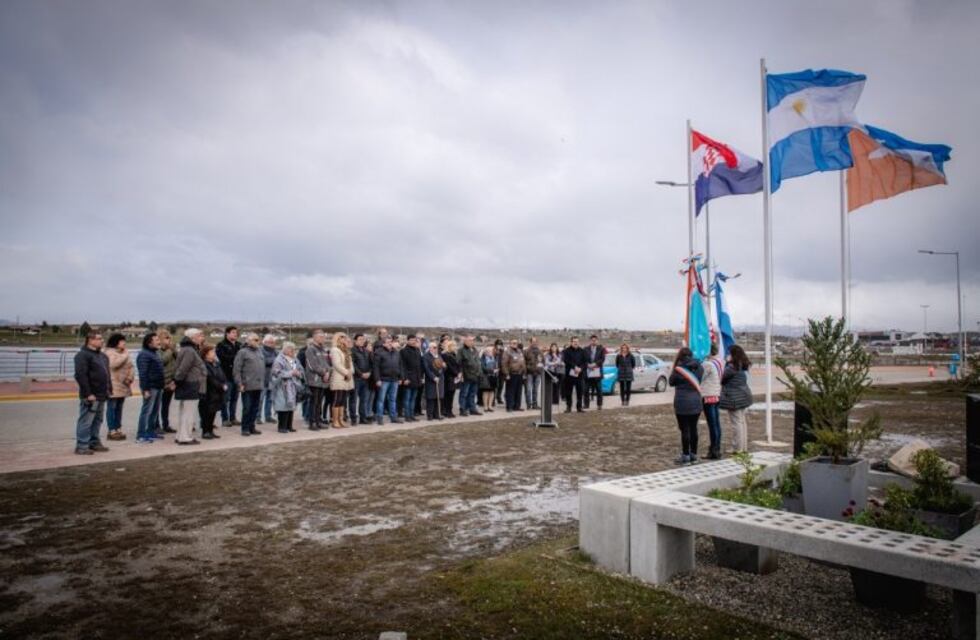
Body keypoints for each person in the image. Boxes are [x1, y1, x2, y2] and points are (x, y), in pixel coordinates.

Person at [73, 331, 111, 455]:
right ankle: (82, 445)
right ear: (90, 340)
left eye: (102, 338)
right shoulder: (82, 355)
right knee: (86, 421)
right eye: (99, 338)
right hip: (91, 395)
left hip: (102, 394)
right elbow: (80, 376)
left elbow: (107, 374)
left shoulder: (102, 356)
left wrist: (109, 389)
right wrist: (88, 393)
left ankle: (94, 442)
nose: (102, 341)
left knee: (97, 420)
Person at [669, 347, 704, 465]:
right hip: (696, 401)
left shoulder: (679, 369)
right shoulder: (699, 367)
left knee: (685, 429)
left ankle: (686, 456)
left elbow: (671, 382)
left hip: (682, 402)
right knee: (694, 428)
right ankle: (694, 455)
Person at [173, 328, 206, 446]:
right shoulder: (190, 351)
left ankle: (180, 435)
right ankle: (185, 437)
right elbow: (183, 368)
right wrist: (177, 380)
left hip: (186, 384)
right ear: (192, 338)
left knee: (184, 411)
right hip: (190, 384)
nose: (201, 338)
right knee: (188, 412)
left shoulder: (186, 349)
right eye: (199, 336)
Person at [719, 345, 753, 454]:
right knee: (742, 422)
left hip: (734, 398)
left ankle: (737, 448)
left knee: (736, 424)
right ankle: (743, 447)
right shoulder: (742, 365)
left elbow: (722, 379)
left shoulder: (732, 367)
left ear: (733, 354)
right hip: (743, 396)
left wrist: (727, 363)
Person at [233, 332, 266, 436]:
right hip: (247, 385)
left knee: (255, 408)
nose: (258, 342)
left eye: (258, 340)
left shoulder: (259, 351)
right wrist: (239, 383)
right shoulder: (242, 352)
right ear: (248, 341)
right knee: (247, 407)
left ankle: (252, 427)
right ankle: (245, 428)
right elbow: (237, 369)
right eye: (255, 340)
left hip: (258, 385)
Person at [135, 332, 165, 444]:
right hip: (150, 387)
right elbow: (143, 373)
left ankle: (150, 431)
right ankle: (141, 435)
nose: (159, 342)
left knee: (154, 411)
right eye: (156, 340)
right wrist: (145, 389)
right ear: (149, 343)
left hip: (158, 386)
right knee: (146, 411)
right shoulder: (144, 355)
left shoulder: (155, 353)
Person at [104, 333, 134, 441]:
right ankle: (112, 430)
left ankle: (118, 428)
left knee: (119, 408)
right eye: (122, 341)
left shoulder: (124, 352)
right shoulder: (109, 353)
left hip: (124, 384)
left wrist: (130, 377)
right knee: (112, 407)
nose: (124, 343)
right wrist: (125, 355)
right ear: (116, 342)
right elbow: (113, 364)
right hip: (113, 384)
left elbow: (131, 366)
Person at [271, 341, 305, 433]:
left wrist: (299, 373)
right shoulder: (279, 360)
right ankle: (282, 427)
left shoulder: (295, 360)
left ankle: (289, 426)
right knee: (283, 406)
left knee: (291, 406)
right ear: (285, 350)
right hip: (282, 387)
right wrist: (291, 373)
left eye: (293, 349)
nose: (293, 351)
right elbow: (276, 373)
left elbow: (301, 370)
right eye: (291, 349)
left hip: (293, 386)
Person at [373, 335, 404, 425]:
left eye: (391, 342)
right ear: (383, 344)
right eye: (388, 342)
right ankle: (379, 418)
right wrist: (377, 379)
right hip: (383, 380)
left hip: (395, 379)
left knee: (393, 399)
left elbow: (400, 366)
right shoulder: (378, 352)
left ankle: (393, 417)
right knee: (381, 400)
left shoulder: (396, 352)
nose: (390, 344)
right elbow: (376, 367)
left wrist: (401, 377)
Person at [701, 343, 724, 459]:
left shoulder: (708, 364)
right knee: (717, 424)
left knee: (712, 424)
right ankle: (717, 448)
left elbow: (700, 377)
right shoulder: (720, 361)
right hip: (717, 394)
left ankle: (713, 450)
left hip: (708, 395)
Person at [305, 330, 331, 431]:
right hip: (314, 380)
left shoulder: (323, 350)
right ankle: (312, 422)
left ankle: (318, 420)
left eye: (323, 337)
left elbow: (327, 363)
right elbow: (312, 365)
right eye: (320, 337)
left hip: (323, 381)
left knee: (319, 402)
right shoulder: (310, 350)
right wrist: (323, 373)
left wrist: (328, 372)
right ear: (314, 337)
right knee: (314, 402)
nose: (323, 339)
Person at [199, 344, 226, 440]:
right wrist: (220, 386)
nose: (214, 354)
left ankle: (210, 430)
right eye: (212, 352)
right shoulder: (204, 364)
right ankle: (205, 431)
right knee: (206, 412)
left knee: (213, 412)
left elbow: (222, 375)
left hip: (217, 392)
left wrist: (223, 383)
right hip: (208, 391)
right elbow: (210, 378)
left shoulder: (216, 364)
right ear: (206, 354)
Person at [216, 326, 241, 427]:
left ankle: (233, 418)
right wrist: (237, 357)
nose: (235, 334)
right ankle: (225, 419)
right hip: (226, 376)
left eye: (236, 332)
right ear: (227, 333)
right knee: (225, 399)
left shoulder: (239, 345)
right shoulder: (221, 345)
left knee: (235, 399)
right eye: (233, 332)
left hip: (237, 376)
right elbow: (223, 358)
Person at [329, 332, 354, 428]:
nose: (344, 339)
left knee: (343, 400)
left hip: (347, 377)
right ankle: (335, 421)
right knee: (337, 399)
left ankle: (341, 419)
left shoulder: (346, 350)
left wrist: (351, 372)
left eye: (345, 338)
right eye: (342, 338)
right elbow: (337, 364)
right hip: (339, 377)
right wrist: (346, 372)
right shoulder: (335, 350)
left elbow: (350, 363)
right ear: (338, 339)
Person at [157, 329, 178, 434]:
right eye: (166, 338)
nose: (168, 340)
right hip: (161, 381)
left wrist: (174, 350)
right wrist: (170, 350)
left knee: (166, 405)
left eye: (169, 338)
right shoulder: (158, 351)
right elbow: (162, 361)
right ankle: (156, 425)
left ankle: (166, 424)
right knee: (157, 405)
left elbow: (179, 359)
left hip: (171, 381)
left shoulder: (172, 350)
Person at [400, 336, 424, 422]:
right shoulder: (403, 351)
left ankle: (412, 415)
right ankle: (407, 416)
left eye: (414, 340)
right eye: (411, 340)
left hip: (417, 378)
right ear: (407, 341)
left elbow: (420, 365)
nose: (413, 342)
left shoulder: (417, 350)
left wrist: (421, 377)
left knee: (413, 398)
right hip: (408, 378)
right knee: (407, 398)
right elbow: (402, 366)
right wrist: (405, 378)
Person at [350, 333, 373, 425]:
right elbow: (353, 364)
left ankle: (363, 418)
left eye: (363, 339)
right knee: (354, 400)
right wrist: (361, 374)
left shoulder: (366, 351)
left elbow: (371, 363)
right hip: (356, 378)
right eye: (360, 339)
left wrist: (369, 372)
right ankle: (353, 418)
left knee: (364, 399)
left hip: (366, 379)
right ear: (355, 341)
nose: (362, 341)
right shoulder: (352, 351)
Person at [458, 336, 482, 416]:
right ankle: (463, 409)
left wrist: (480, 373)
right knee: (464, 393)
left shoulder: (475, 350)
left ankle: (472, 409)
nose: (472, 342)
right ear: (465, 342)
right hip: (467, 375)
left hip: (476, 375)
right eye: (470, 340)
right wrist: (461, 373)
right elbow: (459, 363)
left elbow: (478, 362)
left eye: (473, 341)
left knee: (472, 394)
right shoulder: (461, 350)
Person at [561, 337, 588, 413]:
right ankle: (568, 407)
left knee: (580, 391)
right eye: (574, 341)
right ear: (571, 342)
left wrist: (580, 368)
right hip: (569, 374)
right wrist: (574, 367)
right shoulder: (566, 351)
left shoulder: (582, 351)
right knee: (568, 392)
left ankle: (579, 407)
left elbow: (585, 362)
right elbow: (566, 361)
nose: (576, 343)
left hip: (579, 374)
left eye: (577, 341)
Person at [501, 339, 526, 412]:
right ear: (510, 343)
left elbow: (523, 362)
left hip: (520, 374)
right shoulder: (507, 352)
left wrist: (524, 372)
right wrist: (506, 374)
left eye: (516, 343)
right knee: (510, 391)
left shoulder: (519, 351)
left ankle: (517, 406)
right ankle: (509, 407)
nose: (515, 344)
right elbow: (504, 364)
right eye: (513, 343)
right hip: (511, 374)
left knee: (518, 391)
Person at [423, 342, 445, 420]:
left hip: (440, 379)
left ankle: (437, 414)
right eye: (434, 347)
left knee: (438, 397)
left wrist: (443, 367)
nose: (436, 349)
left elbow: (442, 367)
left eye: (436, 347)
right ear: (430, 348)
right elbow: (427, 369)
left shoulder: (439, 356)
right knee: (431, 398)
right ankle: (430, 415)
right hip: (431, 380)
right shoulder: (426, 356)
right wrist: (433, 377)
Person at [584, 335, 607, 410]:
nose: (593, 341)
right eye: (592, 340)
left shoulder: (601, 349)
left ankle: (599, 405)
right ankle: (586, 404)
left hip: (597, 372)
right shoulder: (585, 349)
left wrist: (595, 364)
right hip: (588, 372)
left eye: (595, 340)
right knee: (586, 390)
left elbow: (602, 359)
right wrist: (588, 364)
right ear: (590, 341)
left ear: (597, 341)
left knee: (599, 390)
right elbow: (583, 359)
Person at [259, 334, 278, 424]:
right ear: (265, 342)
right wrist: (274, 360)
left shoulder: (276, 352)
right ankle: (257, 417)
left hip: (272, 379)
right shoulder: (260, 351)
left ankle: (268, 416)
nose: (273, 344)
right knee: (260, 399)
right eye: (271, 342)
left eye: (273, 342)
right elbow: (264, 361)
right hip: (263, 379)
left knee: (270, 399)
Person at [441, 339, 461, 418]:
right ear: (449, 346)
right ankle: (446, 411)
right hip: (448, 377)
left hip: (454, 377)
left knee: (452, 394)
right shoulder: (445, 355)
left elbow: (458, 365)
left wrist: (459, 372)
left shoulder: (454, 354)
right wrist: (456, 373)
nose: (455, 347)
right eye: (454, 346)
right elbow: (449, 366)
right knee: (447, 395)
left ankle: (450, 410)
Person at [523, 337, 544, 410]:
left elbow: (543, 361)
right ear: (530, 342)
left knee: (535, 390)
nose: (534, 343)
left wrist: (541, 368)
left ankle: (535, 404)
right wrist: (526, 371)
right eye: (533, 341)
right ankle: (529, 404)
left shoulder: (540, 351)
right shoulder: (526, 351)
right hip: (529, 373)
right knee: (528, 390)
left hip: (538, 373)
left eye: (536, 341)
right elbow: (523, 362)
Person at [615, 343, 636, 407]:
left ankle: (627, 400)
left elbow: (633, 364)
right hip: (621, 373)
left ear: (627, 349)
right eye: (623, 348)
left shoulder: (631, 356)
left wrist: (629, 368)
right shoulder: (618, 356)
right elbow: (617, 364)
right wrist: (621, 368)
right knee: (622, 388)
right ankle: (622, 401)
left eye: (625, 348)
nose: (624, 349)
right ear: (621, 349)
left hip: (628, 373)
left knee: (628, 389)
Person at [480, 345, 498, 412]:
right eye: (490, 351)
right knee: (486, 391)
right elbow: (483, 368)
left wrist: (496, 370)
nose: (491, 352)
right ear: (486, 352)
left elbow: (496, 366)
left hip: (493, 377)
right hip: (486, 377)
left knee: (492, 391)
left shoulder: (494, 358)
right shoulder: (483, 359)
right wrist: (492, 371)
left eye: (491, 351)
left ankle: (490, 406)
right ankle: (485, 406)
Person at [493, 339, 505, 405]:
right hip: (495, 370)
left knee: (501, 385)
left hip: (502, 370)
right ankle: (493, 399)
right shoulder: (494, 350)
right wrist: (496, 352)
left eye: (500, 344)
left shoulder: (503, 351)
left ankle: (499, 397)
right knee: (495, 385)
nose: (499, 345)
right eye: (498, 344)